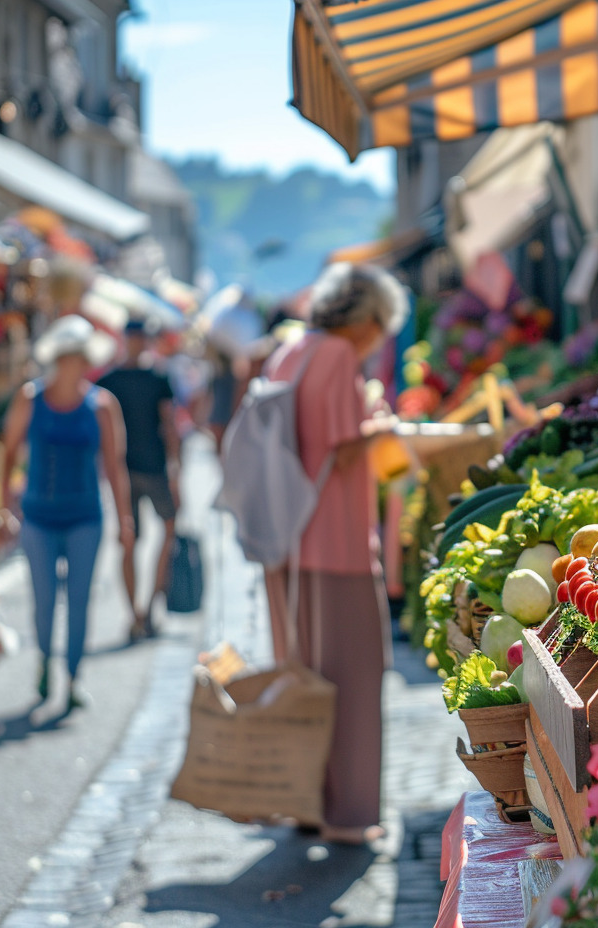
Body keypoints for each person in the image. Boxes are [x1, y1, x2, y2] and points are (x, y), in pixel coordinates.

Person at [262, 262, 407, 845]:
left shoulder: (292, 350)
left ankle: (305, 800)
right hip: (339, 541)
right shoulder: (339, 357)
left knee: (307, 674)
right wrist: (386, 427)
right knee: (354, 680)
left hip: (290, 539)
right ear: (367, 319)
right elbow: (347, 451)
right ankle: (348, 815)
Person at [0, 315, 133, 710]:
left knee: (78, 599)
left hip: (85, 517)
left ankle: (73, 677)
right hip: (38, 516)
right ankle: (44, 660)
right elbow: (8, 452)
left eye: (82, 356)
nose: (77, 362)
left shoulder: (102, 405)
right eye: (71, 355)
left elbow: (115, 465)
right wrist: (7, 505)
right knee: (43, 601)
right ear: (58, 357)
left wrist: (125, 520)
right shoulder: (30, 398)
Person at [97, 318, 182, 639]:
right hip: (127, 472)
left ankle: (148, 607)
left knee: (163, 532)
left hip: (153, 468)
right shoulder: (111, 381)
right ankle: (136, 612)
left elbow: (170, 424)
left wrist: (175, 469)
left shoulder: (156, 377)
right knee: (129, 540)